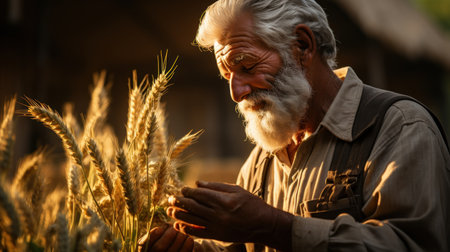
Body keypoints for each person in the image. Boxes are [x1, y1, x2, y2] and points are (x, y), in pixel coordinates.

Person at [139, 0, 450, 251]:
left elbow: (411, 244)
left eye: (247, 66)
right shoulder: (264, 156)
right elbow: (245, 247)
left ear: (303, 46)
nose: (237, 92)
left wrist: (275, 227)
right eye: (227, 76)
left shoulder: (398, 127)